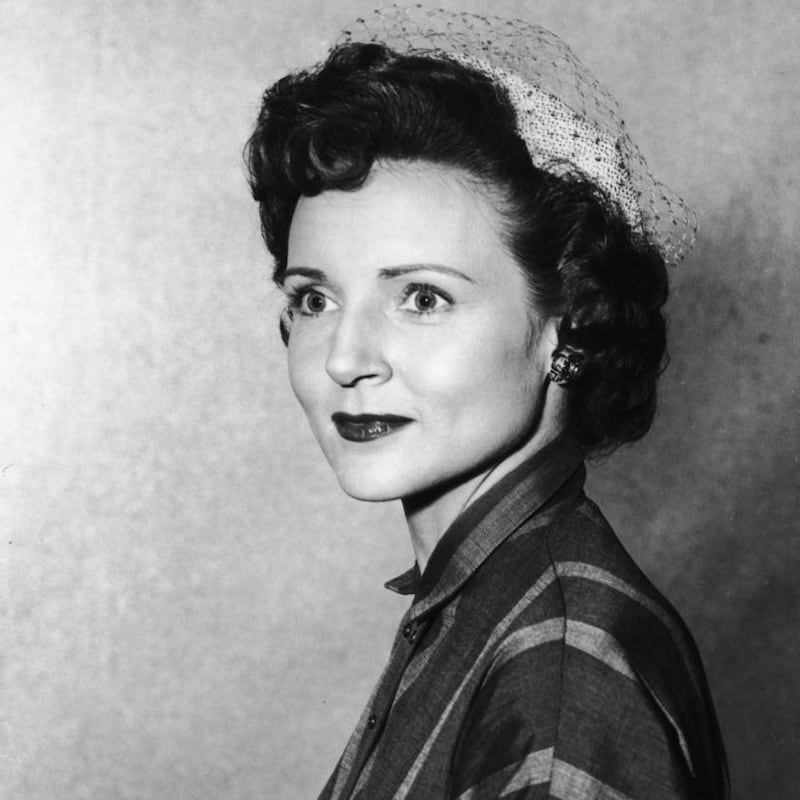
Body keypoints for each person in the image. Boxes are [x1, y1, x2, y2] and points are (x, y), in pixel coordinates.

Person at [245, 7, 729, 799]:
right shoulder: (487, 601)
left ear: (563, 321)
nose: (345, 359)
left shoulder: (563, 667)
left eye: (424, 298)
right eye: (313, 299)